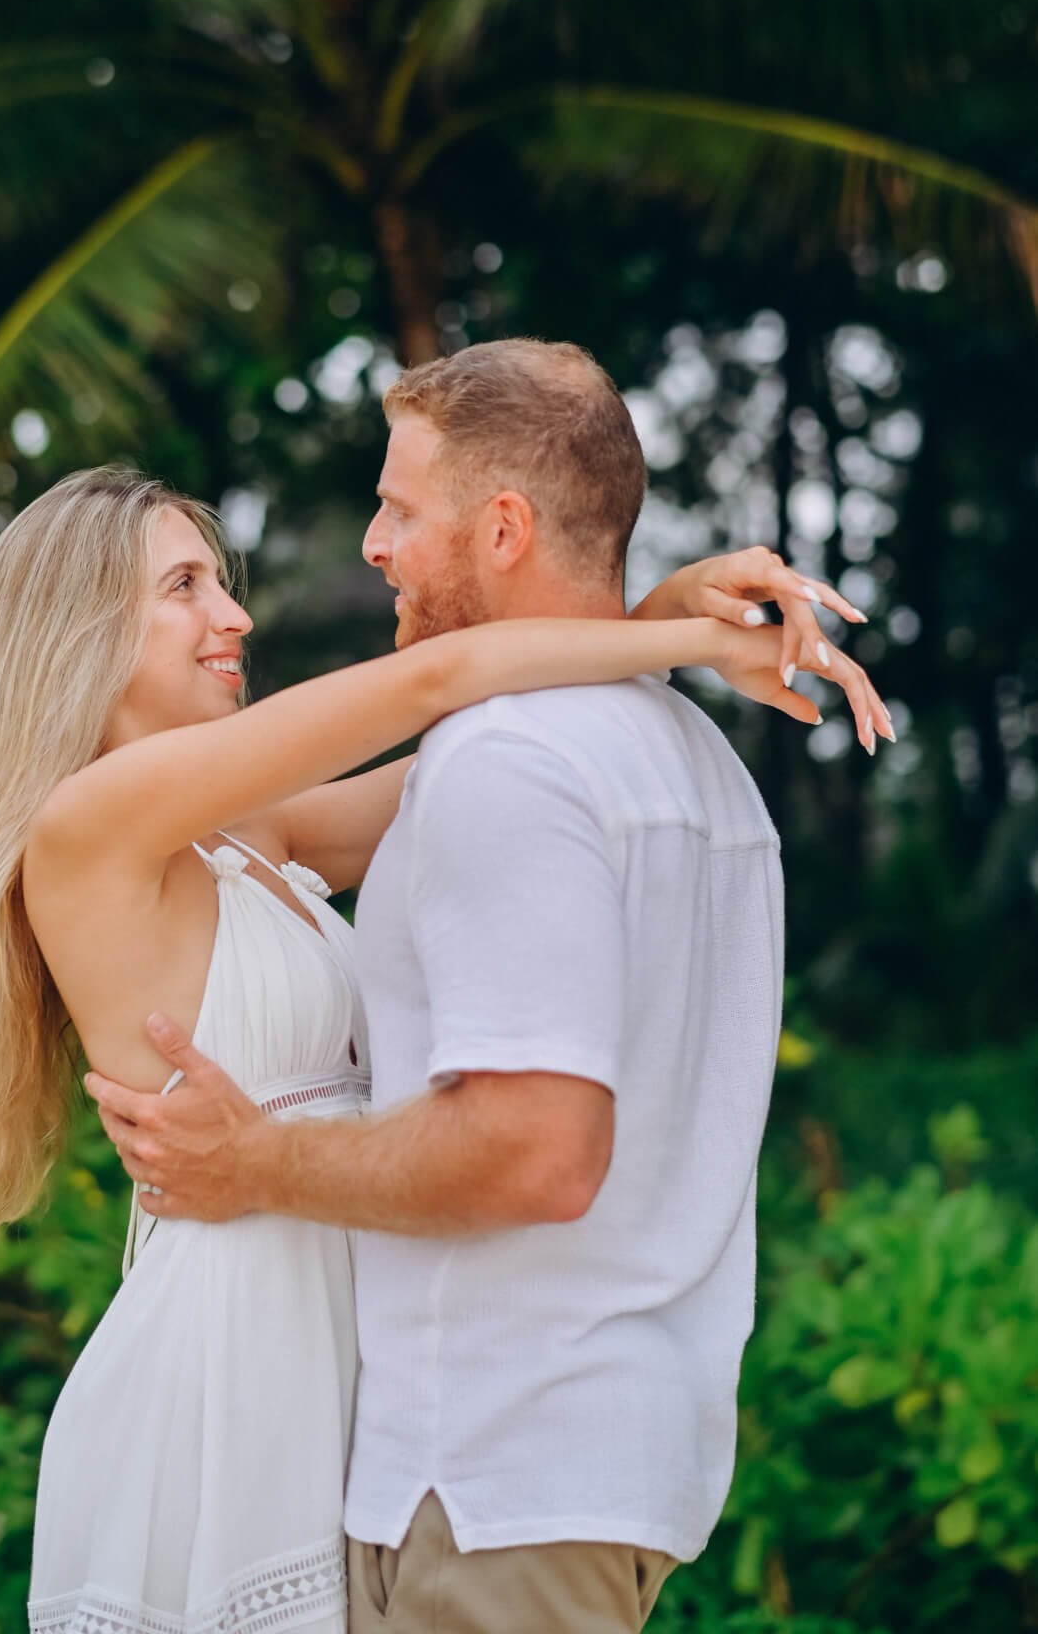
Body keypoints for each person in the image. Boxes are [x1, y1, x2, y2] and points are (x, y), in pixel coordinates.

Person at [86, 338, 892, 1634]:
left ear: (503, 525)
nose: (369, 544)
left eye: (399, 507)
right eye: (185, 585)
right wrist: (667, 631)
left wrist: (260, 1165)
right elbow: (451, 694)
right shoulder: (695, 773)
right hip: (467, 1434)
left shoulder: (500, 769)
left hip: (485, 1455)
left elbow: (534, 1149)